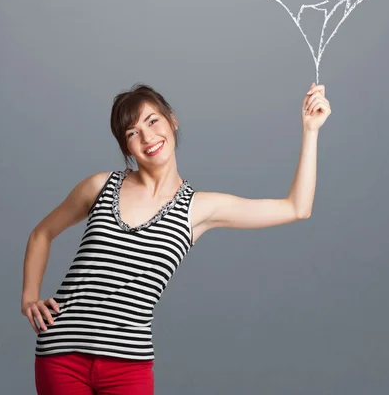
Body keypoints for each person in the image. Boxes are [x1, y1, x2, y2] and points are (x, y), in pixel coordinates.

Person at [21, 81, 331, 394]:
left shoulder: (198, 209)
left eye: (153, 121)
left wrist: (311, 130)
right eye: (132, 133)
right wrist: (29, 298)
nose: (147, 137)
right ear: (125, 146)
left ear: (172, 119)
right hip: (61, 355)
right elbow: (42, 233)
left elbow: (296, 207)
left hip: (128, 365)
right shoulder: (99, 187)